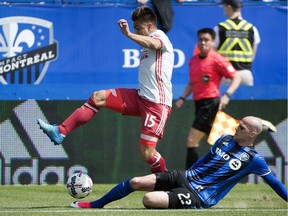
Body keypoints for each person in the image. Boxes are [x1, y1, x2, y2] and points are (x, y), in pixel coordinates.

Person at [37, 6, 174, 173]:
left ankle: (166, 182)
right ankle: (60, 131)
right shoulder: (147, 42)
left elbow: (155, 43)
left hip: (156, 104)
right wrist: (132, 33)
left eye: (138, 27)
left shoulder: (159, 36)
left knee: (147, 153)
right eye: (135, 28)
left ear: (150, 26)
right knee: (98, 97)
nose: (136, 30)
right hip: (141, 98)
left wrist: (129, 34)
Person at [70, 116, 288, 209]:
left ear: (252, 134)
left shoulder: (254, 160)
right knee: (136, 181)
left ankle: (190, 206)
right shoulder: (225, 139)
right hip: (185, 177)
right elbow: (205, 160)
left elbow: (276, 184)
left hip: (199, 196)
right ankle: (96, 204)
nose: (235, 128)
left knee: (148, 200)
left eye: (241, 127)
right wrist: (183, 177)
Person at [174, 27, 241, 169]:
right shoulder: (193, 61)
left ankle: (189, 177)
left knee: (191, 140)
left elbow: (236, 77)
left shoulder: (217, 59)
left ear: (212, 42)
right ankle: (247, 128)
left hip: (210, 104)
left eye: (207, 40)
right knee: (222, 138)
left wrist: (227, 95)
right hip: (198, 105)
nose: (203, 43)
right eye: (201, 40)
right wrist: (182, 98)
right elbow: (192, 83)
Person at [214, 0, 261, 86]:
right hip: (245, 74)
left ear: (229, 7)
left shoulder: (220, 28)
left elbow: (213, 54)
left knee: (224, 99)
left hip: (226, 75)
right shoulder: (252, 29)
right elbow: (252, 56)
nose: (223, 9)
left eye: (224, 6)